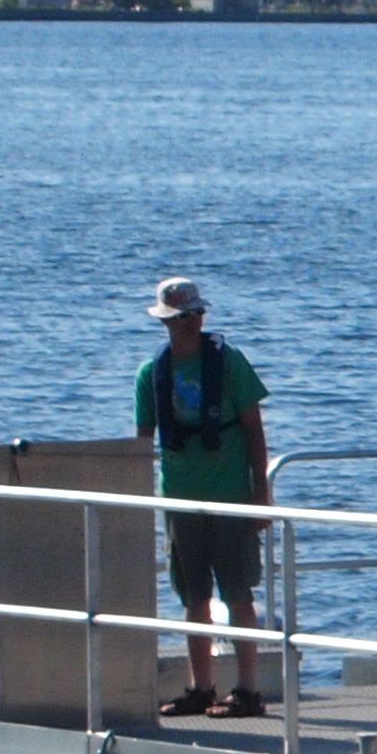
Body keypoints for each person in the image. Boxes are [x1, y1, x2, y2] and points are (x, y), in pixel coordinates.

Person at [134, 275, 275, 718]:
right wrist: (140, 501)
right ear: (166, 321)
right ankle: (201, 687)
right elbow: (142, 442)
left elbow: (254, 430)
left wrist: (260, 494)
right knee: (192, 596)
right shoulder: (150, 374)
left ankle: (248, 689)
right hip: (180, 498)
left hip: (229, 495)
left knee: (238, 594)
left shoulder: (229, 362)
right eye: (182, 316)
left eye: (196, 313)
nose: (192, 322)